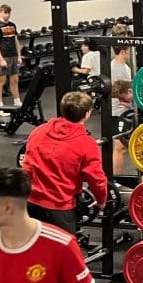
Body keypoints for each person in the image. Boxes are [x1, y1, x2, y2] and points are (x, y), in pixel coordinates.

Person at [21, 90, 108, 236]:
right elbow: (96, 179)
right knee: (63, 254)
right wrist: (101, 201)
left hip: (31, 203)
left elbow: (27, 166)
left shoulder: (38, 131)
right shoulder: (87, 144)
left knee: (33, 248)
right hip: (60, 207)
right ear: (87, 114)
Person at [0, 4, 24, 114]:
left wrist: (19, 56)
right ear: (0, 12)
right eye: (5, 13)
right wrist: (0, 59)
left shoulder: (12, 25)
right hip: (4, 57)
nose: (7, 15)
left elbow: (16, 41)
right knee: (1, 81)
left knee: (14, 80)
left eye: (9, 13)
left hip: (13, 56)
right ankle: (0, 107)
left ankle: (17, 102)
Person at [110, 79, 135, 176]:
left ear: (129, 91)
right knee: (119, 147)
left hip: (125, 117)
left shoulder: (140, 94)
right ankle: (116, 177)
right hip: (117, 117)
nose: (121, 102)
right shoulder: (133, 95)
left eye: (122, 99)